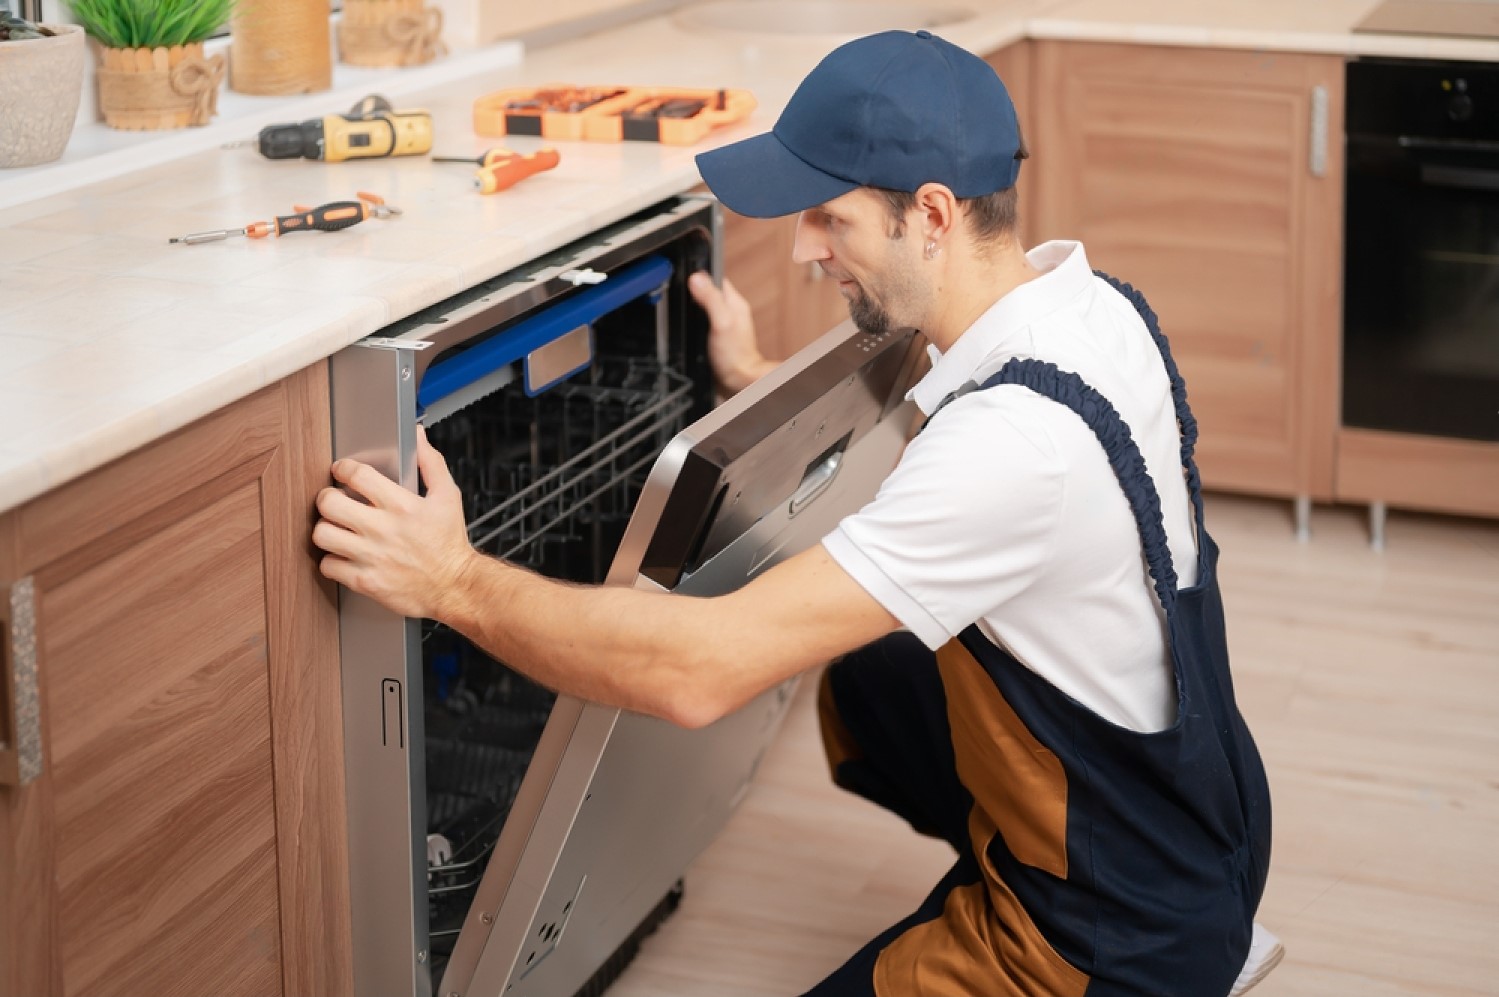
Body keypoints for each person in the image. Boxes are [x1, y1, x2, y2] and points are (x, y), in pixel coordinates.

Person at [312, 29, 1278, 997]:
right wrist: (752, 377)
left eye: (830, 218)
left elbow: (697, 671)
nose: (805, 248)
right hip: (1201, 820)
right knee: (872, 678)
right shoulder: (1088, 311)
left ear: (930, 214)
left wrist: (451, 579)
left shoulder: (1011, 446)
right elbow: (937, 467)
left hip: (1112, 935)